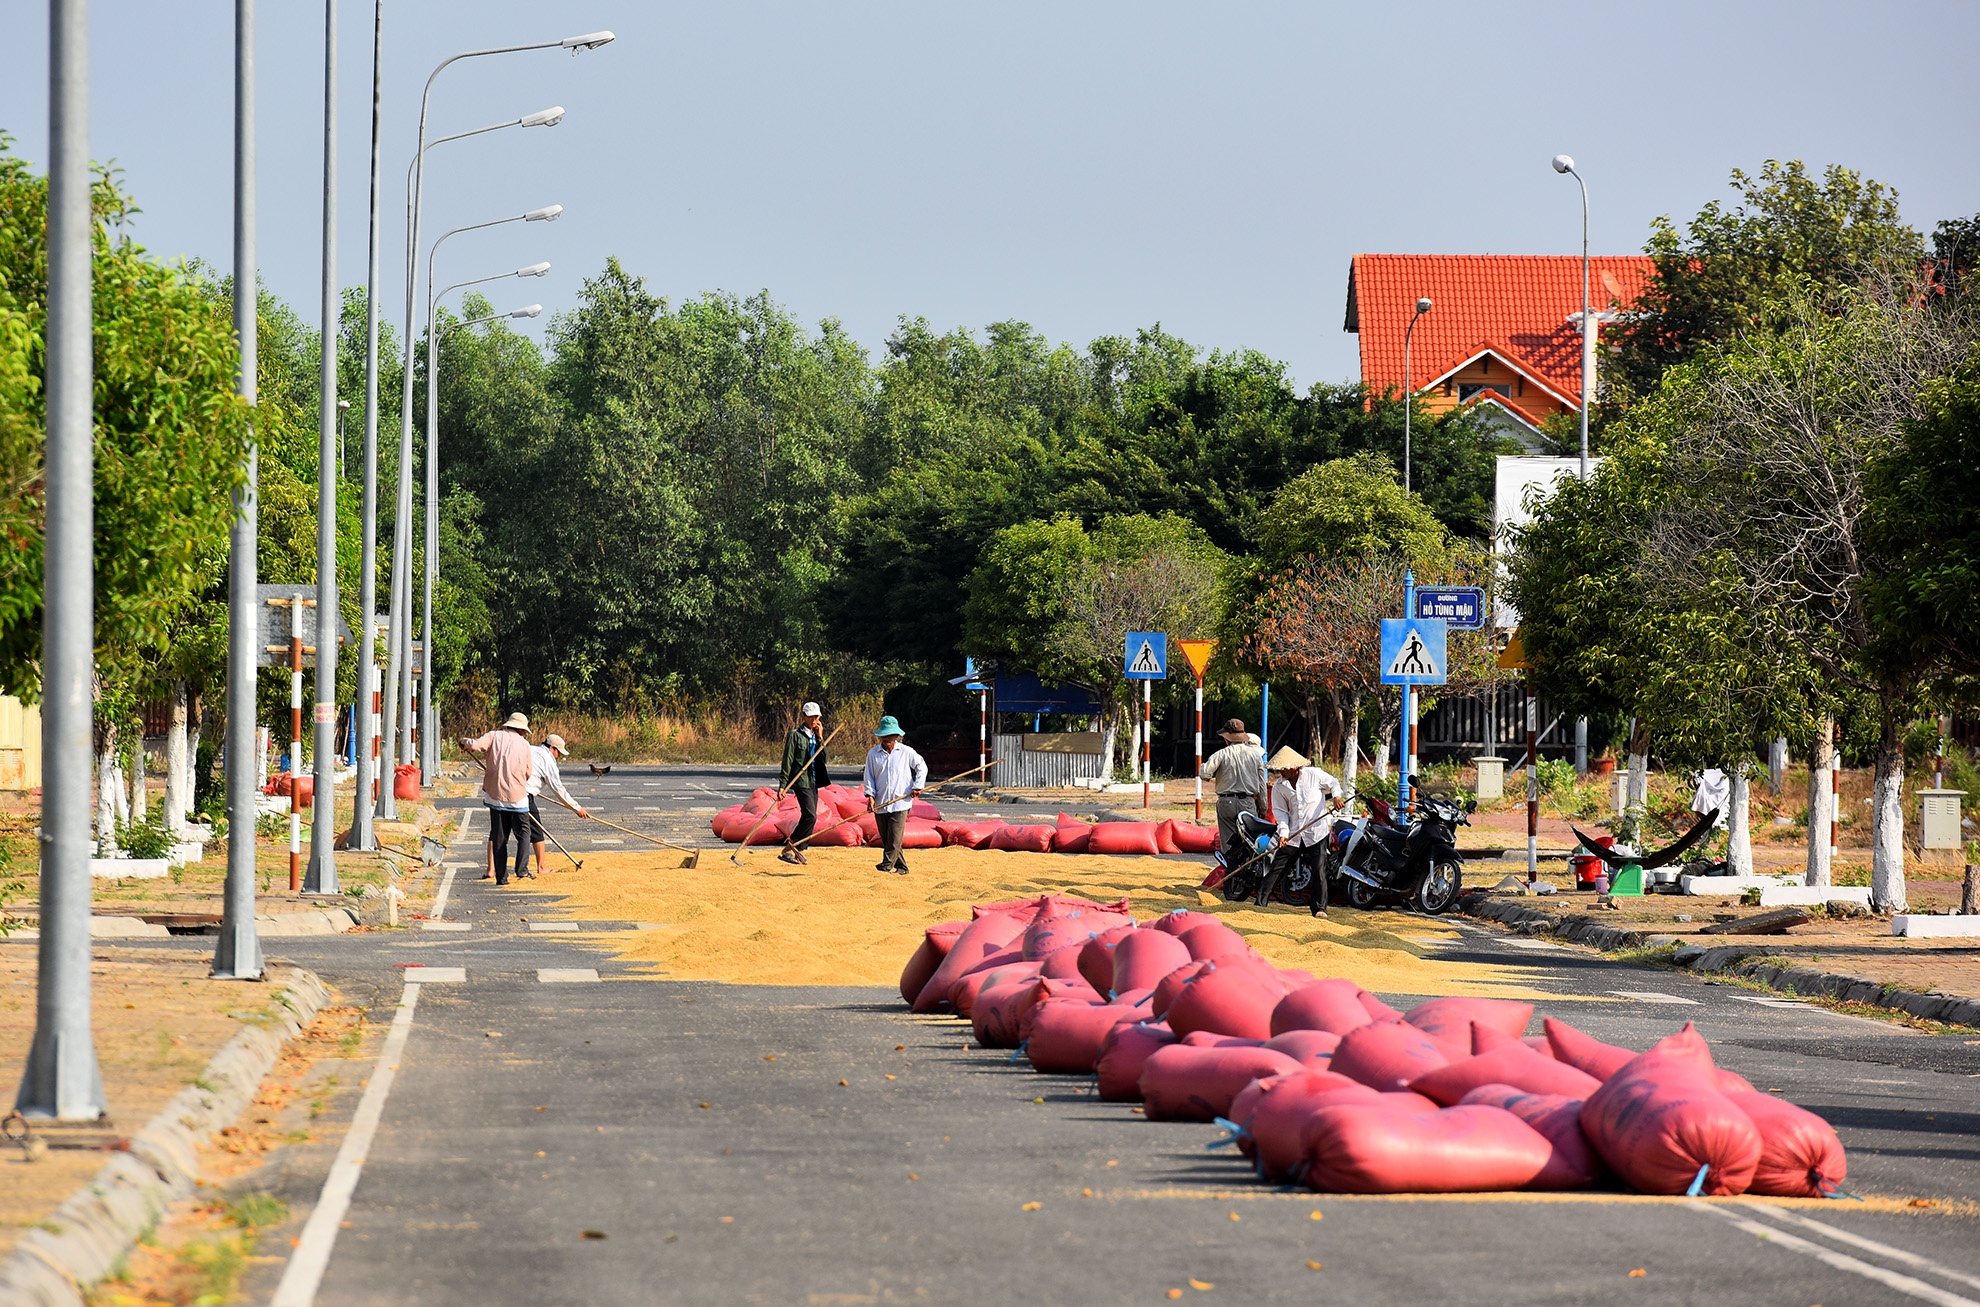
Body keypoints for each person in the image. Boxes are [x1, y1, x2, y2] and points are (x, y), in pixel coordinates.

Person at [1261, 746, 1342, 913]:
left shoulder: (1314, 775)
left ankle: (1320, 909)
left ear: (1295, 767)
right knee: (1277, 867)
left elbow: (1333, 783)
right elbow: (1281, 812)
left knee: (1319, 870)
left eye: (1284, 768)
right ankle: (1260, 904)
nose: (1281, 772)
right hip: (1293, 834)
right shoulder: (1279, 787)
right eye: (1280, 769)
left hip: (1316, 833)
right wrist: (1283, 833)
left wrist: (1336, 797)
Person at [460, 712, 534, 886]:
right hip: (518, 797)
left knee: (499, 837)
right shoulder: (524, 744)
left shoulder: (493, 736)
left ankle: (502, 878)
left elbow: (475, 745)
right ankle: (521, 869)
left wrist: (464, 742)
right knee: (524, 833)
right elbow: (528, 772)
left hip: (496, 795)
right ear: (521, 730)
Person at [861, 716, 926, 876]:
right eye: (885, 736)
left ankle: (885, 866)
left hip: (901, 802)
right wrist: (870, 795)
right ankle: (902, 868)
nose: (888, 739)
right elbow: (869, 776)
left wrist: (917, 786)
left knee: (895, 837)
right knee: (887, 839)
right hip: (881, 803)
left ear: (897, 736)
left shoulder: (906, 752)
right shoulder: (873, 754)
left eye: (891, 736)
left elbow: (921, 767)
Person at [1201, 717, 1267, 872]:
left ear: (1227, 738)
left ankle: (1231, 875)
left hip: (1226, 802)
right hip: (1248, 802)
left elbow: (1205, 774)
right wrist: (1263, 808)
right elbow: (1261, 785)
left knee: (1229, 843)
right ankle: (1250, 872)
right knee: (1251, 841)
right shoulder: (1255, 756)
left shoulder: (1221, 754)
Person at [526, 732, 589, 874]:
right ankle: (541, 867)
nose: (558, 756)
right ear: (552, 748)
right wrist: (577, 808)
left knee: (500, 832)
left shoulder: (530, 748)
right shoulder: (548, 760)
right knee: (537, 831)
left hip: (510, 791)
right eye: (558, 752)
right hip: (524, 796)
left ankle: (491, 869)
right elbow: (558, 790)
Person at [779, 702, 831, 866]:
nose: (815, 720)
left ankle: (798, 851)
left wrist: (821, 739)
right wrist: (782, 785)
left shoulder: (817, 736)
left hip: (814, 781)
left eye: (817, 717)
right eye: (812, 717)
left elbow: (824, 759)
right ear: (804, 716)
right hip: (800, 780)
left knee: (811, 817)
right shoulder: (795, 735)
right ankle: (790, 847)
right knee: (810, 815)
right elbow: (787, 760)